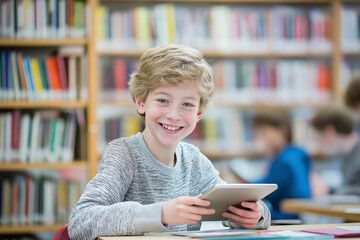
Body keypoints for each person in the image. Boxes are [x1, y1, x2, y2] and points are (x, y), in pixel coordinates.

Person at [68, 45, 271, 240]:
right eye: (163, 100)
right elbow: (81, 221)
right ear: (140, 102)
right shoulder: (124, 154)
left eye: (187, 104)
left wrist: (256, 215)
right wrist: (161, 213)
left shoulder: (194, 161)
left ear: (199, 113)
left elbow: (238, 205)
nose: (174, 115)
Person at [251, 110, 312, 220]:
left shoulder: (284, 161)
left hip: (283, 218)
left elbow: (265, 190)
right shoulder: (297, 154)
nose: (260, 138)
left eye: (263, 132)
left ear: (281, 131)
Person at [310, 106, 360, 195]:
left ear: (330, 132)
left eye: (317, 138)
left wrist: (326, 190)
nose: (317, 145)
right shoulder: (348, 155)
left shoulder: (357, 159)